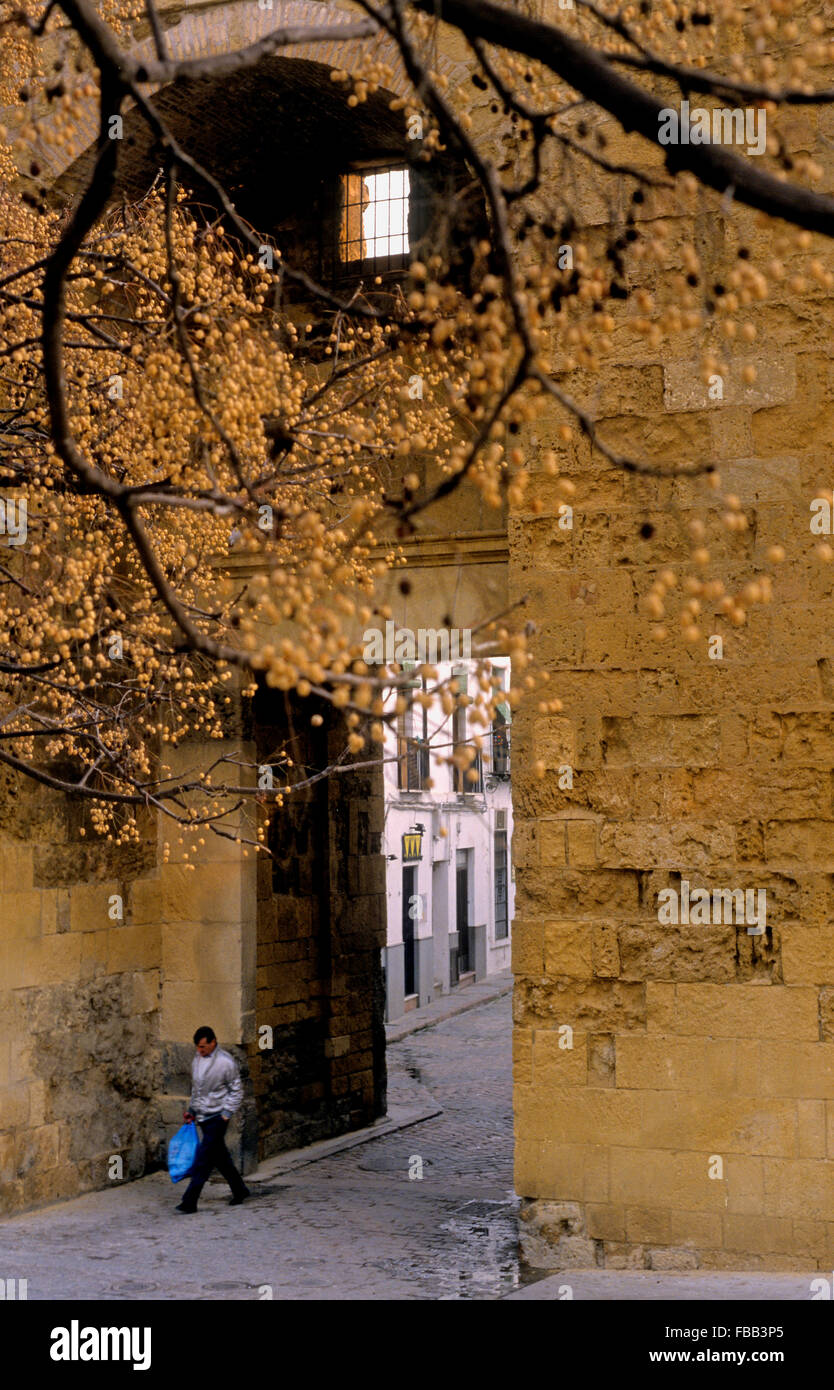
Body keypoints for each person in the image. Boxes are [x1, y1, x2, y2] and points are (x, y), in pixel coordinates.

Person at [175, 1026, 251, 1213]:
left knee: (204, 1159)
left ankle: (190, 1201)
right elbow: (197, 1089)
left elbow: (236, 1090)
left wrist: (226, 1113)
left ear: (213, 1042)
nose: (199, 1050)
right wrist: (192, 1110)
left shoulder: (226, 1062)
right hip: (202, 1115)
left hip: (217, 1117)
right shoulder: (197, 1059)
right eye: (197, 1047)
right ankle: (240, 1190)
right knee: (220, 1157)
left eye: (202, 1046)